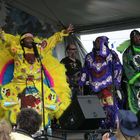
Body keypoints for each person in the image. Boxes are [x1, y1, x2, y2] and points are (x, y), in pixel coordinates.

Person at [0, 24, 73, 126]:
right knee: (12, 103)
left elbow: (52, 41)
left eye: (31, 38)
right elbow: (6, 39)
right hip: (19, 85)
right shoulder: (16, 50)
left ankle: (40, 128)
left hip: (38, 84)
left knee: (49, 103)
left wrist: (63, 33)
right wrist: (1, 33)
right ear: (22, 41)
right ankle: (19, 128)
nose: (30, 40)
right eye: (27, 38)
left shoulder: (40, 50)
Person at [79, 36, 122, 128]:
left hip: (108, 87)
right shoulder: (89, 56)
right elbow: (85, 70)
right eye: (96, 41)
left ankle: (113, 128)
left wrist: (116, 83)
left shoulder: (111, 54)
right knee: (96, 109)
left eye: (100, 41)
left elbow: (118, 68)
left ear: (104, 42)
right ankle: (98, 128)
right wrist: (81, 83)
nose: (97, 43)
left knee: (110, 107)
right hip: (94, 89)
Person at [117, 30, 140, 113]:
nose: (137, 38)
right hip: (134, 84)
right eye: (134, 37)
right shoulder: (128, 52)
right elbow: (128, 69)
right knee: (135, 104)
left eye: (138, 36)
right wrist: (137, 77)